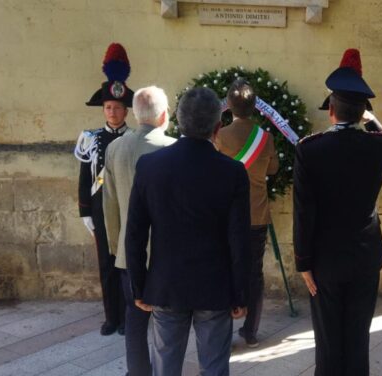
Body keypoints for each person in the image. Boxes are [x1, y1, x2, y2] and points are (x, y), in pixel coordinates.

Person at [125, 87, 250, 376]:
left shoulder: (150, 166)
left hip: (166, 284)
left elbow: (135, 233)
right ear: (218, 127)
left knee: (165, 366)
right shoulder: (232, 172)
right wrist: (240, 294)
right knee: (215, 367)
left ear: (178, 121)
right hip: (215, 286)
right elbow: (239, 240)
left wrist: (138, 286)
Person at [293, 48, 382, 376]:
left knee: (327, 340)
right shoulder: (379, 147)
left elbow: (303, 213)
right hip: (365, 258)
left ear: (331, 111)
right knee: (357, 338)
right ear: (364, 112)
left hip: (324, 261)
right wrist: (369, 117)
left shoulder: (309, 150)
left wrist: (304, 263)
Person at [103, 86, 176, 375]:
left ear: (134, 113)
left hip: (127, 252)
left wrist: (115, 247)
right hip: (165, 252)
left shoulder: (114, 148)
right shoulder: (171, 148)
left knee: (134, 324)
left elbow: (109, 206)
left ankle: (138, 372)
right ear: (163, 115)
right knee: (169, 323)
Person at [215, 79, 279, 348]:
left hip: (224, 216)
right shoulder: (265, 138)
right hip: (256, 215)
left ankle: (223, 334)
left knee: (224, 271)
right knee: (254, 273)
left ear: (228, 106)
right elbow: (273, 169)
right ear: (254, 107)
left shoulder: (219, 136)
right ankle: (250, 332)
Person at [75, 42, 133, 336]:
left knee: (127, 263)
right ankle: (112, 317)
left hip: (126, 208)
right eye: (108, 108)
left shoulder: (133, 140)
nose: (112, 112)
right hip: (100, 210)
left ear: (126, 110)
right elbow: (85, 177)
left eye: (117, 108)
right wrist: (85, 211)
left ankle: (128, 318)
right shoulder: (90, 139)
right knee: (106, 265)